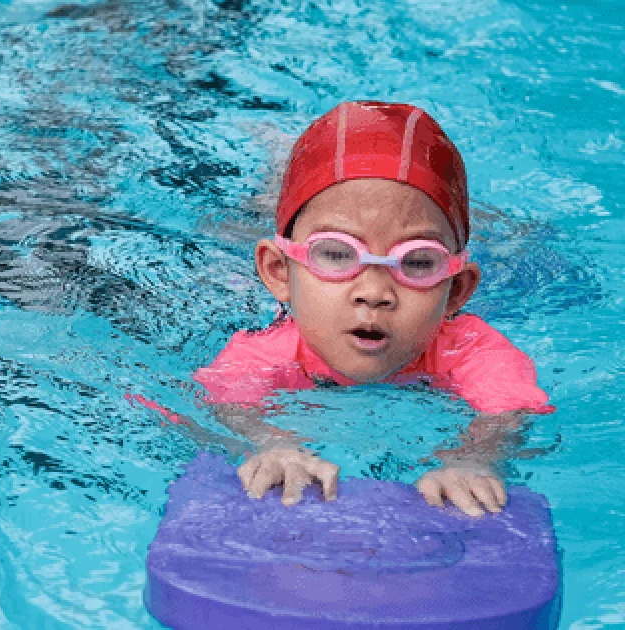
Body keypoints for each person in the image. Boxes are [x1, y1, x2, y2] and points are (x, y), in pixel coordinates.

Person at [194, 101, 552, 516]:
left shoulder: (470, 348)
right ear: (277, 272)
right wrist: (272, 442)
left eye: (418, 262)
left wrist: (471, 460)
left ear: (456, 291)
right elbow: (223, 403)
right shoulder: (267, 350)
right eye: (334, 254)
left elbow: (510, 411)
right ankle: (277, 154)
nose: (374, 292)